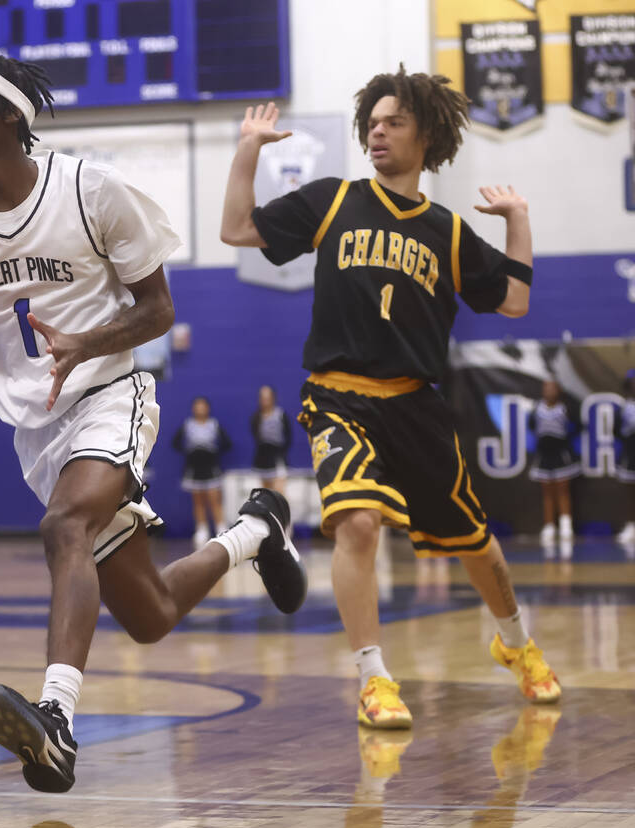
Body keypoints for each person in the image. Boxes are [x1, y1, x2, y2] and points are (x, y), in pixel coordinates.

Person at [0, 52, 306, 793]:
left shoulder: (91, 191)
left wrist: (87, 342)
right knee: (149, 615)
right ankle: (257, 530)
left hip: (111, 390)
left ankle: (55, 725)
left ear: (8, 115)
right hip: (36, 431)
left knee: (65, 527)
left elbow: (158, 309)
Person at [219, 66, 560, 728]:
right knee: (357, 523)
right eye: (371, 122)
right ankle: (374, 678)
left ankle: (515, 644)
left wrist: (518, 218)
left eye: (393, 121)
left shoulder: (448, 232)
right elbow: (236, 230)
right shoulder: (332, 201)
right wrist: (249, 148)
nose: (377, 131)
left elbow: (514, 299)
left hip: (416, 406)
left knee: (477, 546)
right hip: (338, 396)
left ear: (426, 134)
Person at [171, 396, 232, 549]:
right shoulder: (188, 425)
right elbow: (175, 442)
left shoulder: (214, 424)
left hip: (210, 466)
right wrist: (189, 452)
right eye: (197, 406)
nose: (200, 409)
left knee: (214, 499)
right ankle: (202, 529)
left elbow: (227, 443)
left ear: (208, 408)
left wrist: (214, 453)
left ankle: (220, 528)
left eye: (203, 406)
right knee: (198, 501)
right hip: (194, 467)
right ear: (193, 409)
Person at [528, 379, 578, 546]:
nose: (549, 390)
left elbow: (576, 427)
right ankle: (549, 525)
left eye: (552, 387)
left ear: (558, 390)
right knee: (547, 492)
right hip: (544, 454)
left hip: (561, 453)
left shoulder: (565, 408)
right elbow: (532, 426)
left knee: (563, 490)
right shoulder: (537, 408)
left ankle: (565, 525)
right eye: (546, 387)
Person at [251, 385, 292, 496]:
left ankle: (280, 512)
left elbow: (288, 435)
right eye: (263, 398)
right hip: (263, 457)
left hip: (277, 457)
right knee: (265, 494)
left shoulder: (281, 415)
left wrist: (282, 453)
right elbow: (255, 435)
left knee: (278, 492)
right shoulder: (256, 416)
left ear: (273, 398)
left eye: (268, 397)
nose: (265, 401)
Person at [618, 372, 635, 546]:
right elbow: (617, 431)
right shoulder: (624, 408)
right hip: (631, 455)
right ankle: (631, 526)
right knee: (630, 493)